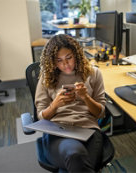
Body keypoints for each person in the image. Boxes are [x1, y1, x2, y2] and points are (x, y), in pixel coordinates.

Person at [34, 34, 106, 172]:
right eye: (59, 60)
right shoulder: (46, 78)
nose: (65, 64)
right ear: (52, 62)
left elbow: (101, 113)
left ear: (77, 55)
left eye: (69, 58)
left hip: (88, 129)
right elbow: (41, 116)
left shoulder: (94, 73)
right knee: (75, 156)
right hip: (58, 130)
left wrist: (86, 98)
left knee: (74, 165)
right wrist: (54, 105)